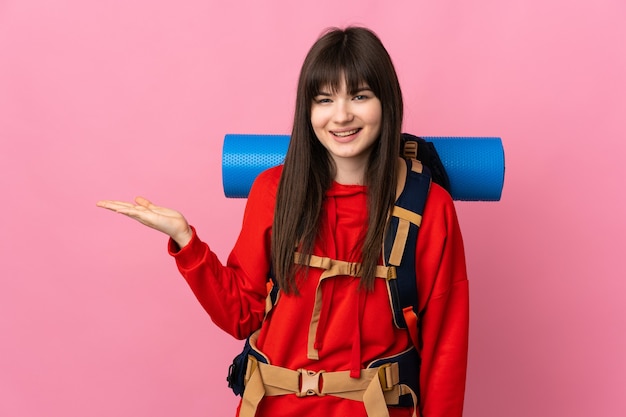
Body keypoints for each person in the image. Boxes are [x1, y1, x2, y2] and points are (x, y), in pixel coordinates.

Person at [97, 26, 469, 417]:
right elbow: (242, 314)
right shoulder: (274, 191)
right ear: (307, 111)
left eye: (360, 96)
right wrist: (186, 241)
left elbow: (447, 345)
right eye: (324, 100)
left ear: (386, 101)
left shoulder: (428, 207)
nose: (341, 115)